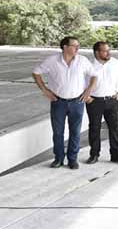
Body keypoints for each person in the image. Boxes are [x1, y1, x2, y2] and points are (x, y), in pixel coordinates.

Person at [32, 36, 98, 170]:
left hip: (77, 102)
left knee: (75, 132)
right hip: (58, 102)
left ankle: (72, 159)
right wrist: (45, 90)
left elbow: (94, 75)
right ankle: (58, 159)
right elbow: (36, 72)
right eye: (74, 46)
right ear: (65, 47)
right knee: (58, 132)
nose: (77, 48)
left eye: (78, 46)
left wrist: (88, 90)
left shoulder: (82, 60)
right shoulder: (52, 60)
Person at [85, 41, 118, 164]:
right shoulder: (89, 65)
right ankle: (94, 155)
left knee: (114, 128)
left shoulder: (114, 63)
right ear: (97, 52)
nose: (108, 52)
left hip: (112, 100)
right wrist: (87, 96)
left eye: (108, 50)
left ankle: (115, 155)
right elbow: (82, 81)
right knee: (94, 128)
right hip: (94, 101)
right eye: (105, 50)